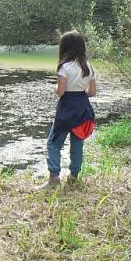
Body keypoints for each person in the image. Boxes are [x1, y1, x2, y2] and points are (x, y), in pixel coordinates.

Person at [41, 31, 97, 190]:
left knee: (54, 143)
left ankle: (54, 179)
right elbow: (92, 92)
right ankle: (73, 178)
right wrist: (80, 95)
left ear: (65, 48)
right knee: (77, 144)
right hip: (83, 108)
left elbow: (61, 92)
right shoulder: (88, 67)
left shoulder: (64, 67)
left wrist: (55, 89)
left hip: (66, 109)